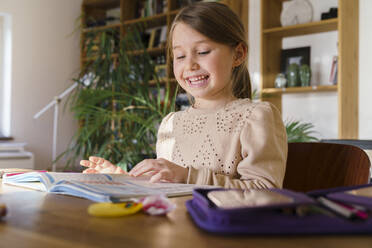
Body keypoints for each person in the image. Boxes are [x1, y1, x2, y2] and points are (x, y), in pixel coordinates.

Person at [80, 2, 288, 189]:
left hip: (219, 231)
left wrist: (188, 176)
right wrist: (125, 179)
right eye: (179, 56)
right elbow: (165, 186)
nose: (190, 65)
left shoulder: (255, 117)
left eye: (203, 51)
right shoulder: (170, 123)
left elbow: (265, 192)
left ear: (238, 54)